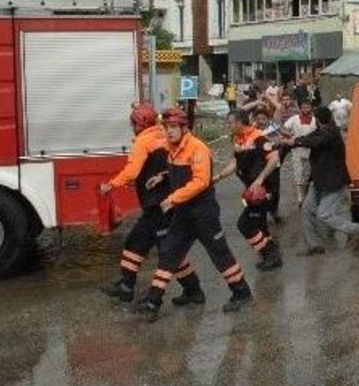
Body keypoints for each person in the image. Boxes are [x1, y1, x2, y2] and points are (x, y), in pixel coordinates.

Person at [135, 108, 252, 321]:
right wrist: (162, 177)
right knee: (169, 252)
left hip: (203, 214)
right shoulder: (172, 148)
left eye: (172, 128)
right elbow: (178, 172)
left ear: (184, 128)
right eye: (166, 127)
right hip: (183, 214)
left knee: (220, 254)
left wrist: (172, 198)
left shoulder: (198, 148)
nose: (168, 132)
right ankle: (158, 301)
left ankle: (242, 292)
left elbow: (200, 182)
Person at [98, 104, 203, 305]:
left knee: (151, 247)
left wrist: (111, 185)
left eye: (133, 123)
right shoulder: (164, 135)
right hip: (167, 202)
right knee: (152, 246)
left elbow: (132, 171)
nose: (132, 126)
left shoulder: (143, 141)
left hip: (157, 205)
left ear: (138, 124)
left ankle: (131, 288)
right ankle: (191, 290)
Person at [212, 110, 284, 271]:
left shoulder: (257, 137)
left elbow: (274, 158)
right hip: (251, 190)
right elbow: (236, 162)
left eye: (230, 123)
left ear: (239, 123)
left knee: (245, 224)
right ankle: (272, 256)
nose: (228, 126)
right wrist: (219, 176)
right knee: (260, 224)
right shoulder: (237, 138)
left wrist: (260, 180)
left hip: (263, 189)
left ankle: (271, 254)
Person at [283, 106, 359, 256]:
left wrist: (295, 142)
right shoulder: (321, 130)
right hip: (319, 181)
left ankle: (355, 229)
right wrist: (291, 140)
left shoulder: (331, 132)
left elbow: (316, 141)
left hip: (334, 181)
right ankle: (314, 246)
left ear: (318, 119)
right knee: (307, 211)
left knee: (324, 214)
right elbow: (310, 138)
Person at [283, 100, 317, 207]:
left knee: (307, 175)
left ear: (311, 108)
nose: (306, 109)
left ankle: (306, 195)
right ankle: (300, 197)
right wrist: (290, 136)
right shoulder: (294, 119)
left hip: (311, 151)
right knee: (298, 173)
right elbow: (284, 128)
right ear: (300, 108)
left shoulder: (315, 120)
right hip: (297, 150)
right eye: (304, 107)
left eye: (308, 107)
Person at [253, 105, 283, 224]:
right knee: (260, 189)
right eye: (258, 119)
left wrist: (274, 143)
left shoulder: (274, 129)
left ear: (268, 119)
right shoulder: (252, 131)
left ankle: (274, 210)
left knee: (275, 190)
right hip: (258, 166)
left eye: (263, 118)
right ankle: (261, 213)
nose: (261, 121)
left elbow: (282, 141)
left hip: (274, 164)